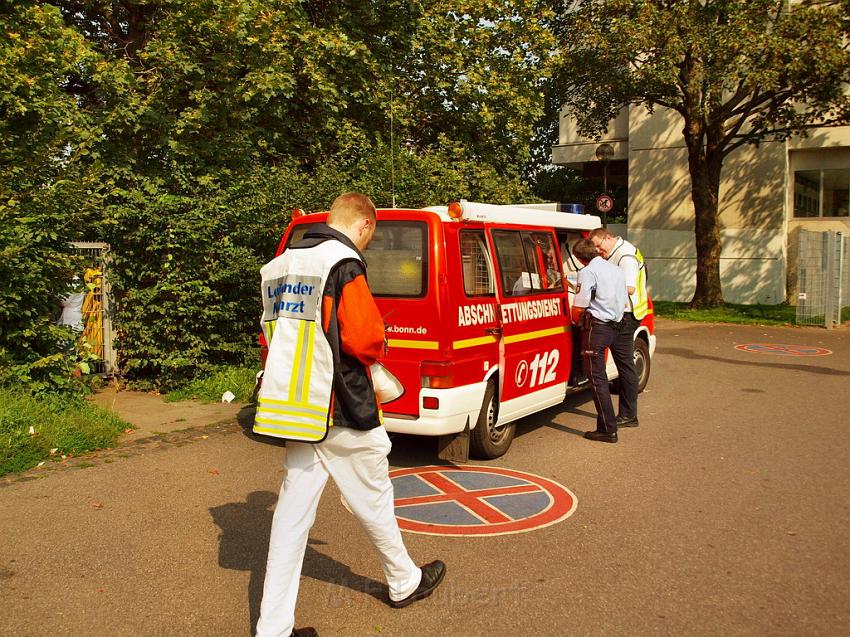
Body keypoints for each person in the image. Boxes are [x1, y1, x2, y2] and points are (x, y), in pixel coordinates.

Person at [254, 193, 446, 637]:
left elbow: (274, 335)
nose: (366, 245)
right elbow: (363, 339)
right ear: (362, 227)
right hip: (342, 404)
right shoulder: (342, 261)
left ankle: (273, 629)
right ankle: (404, 582)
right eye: (370, 238)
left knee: (290, 519)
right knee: (374, 499)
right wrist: (381, 345)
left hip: (296, 409)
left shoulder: (280, 266)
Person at [570, 237, 629, 443]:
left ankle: (607, 429)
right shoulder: (616, 270)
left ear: (579, 258)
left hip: (597, 327)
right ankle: (607, 425)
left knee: (597, 379)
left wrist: (575, 320)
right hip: (616, 325)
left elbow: (580, 304)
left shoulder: (587, 272)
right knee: (607, 374)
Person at [588, 228, 647, 428]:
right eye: (594, 247)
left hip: (627, 315)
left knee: (625, 366)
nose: (597, 250)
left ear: (609, 237)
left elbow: (629, 287)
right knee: (624, 365)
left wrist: (598, 289)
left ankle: (628, 415)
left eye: (599, 245)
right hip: (621, 313)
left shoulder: (626, 256)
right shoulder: (614, 253)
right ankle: (627, 414)